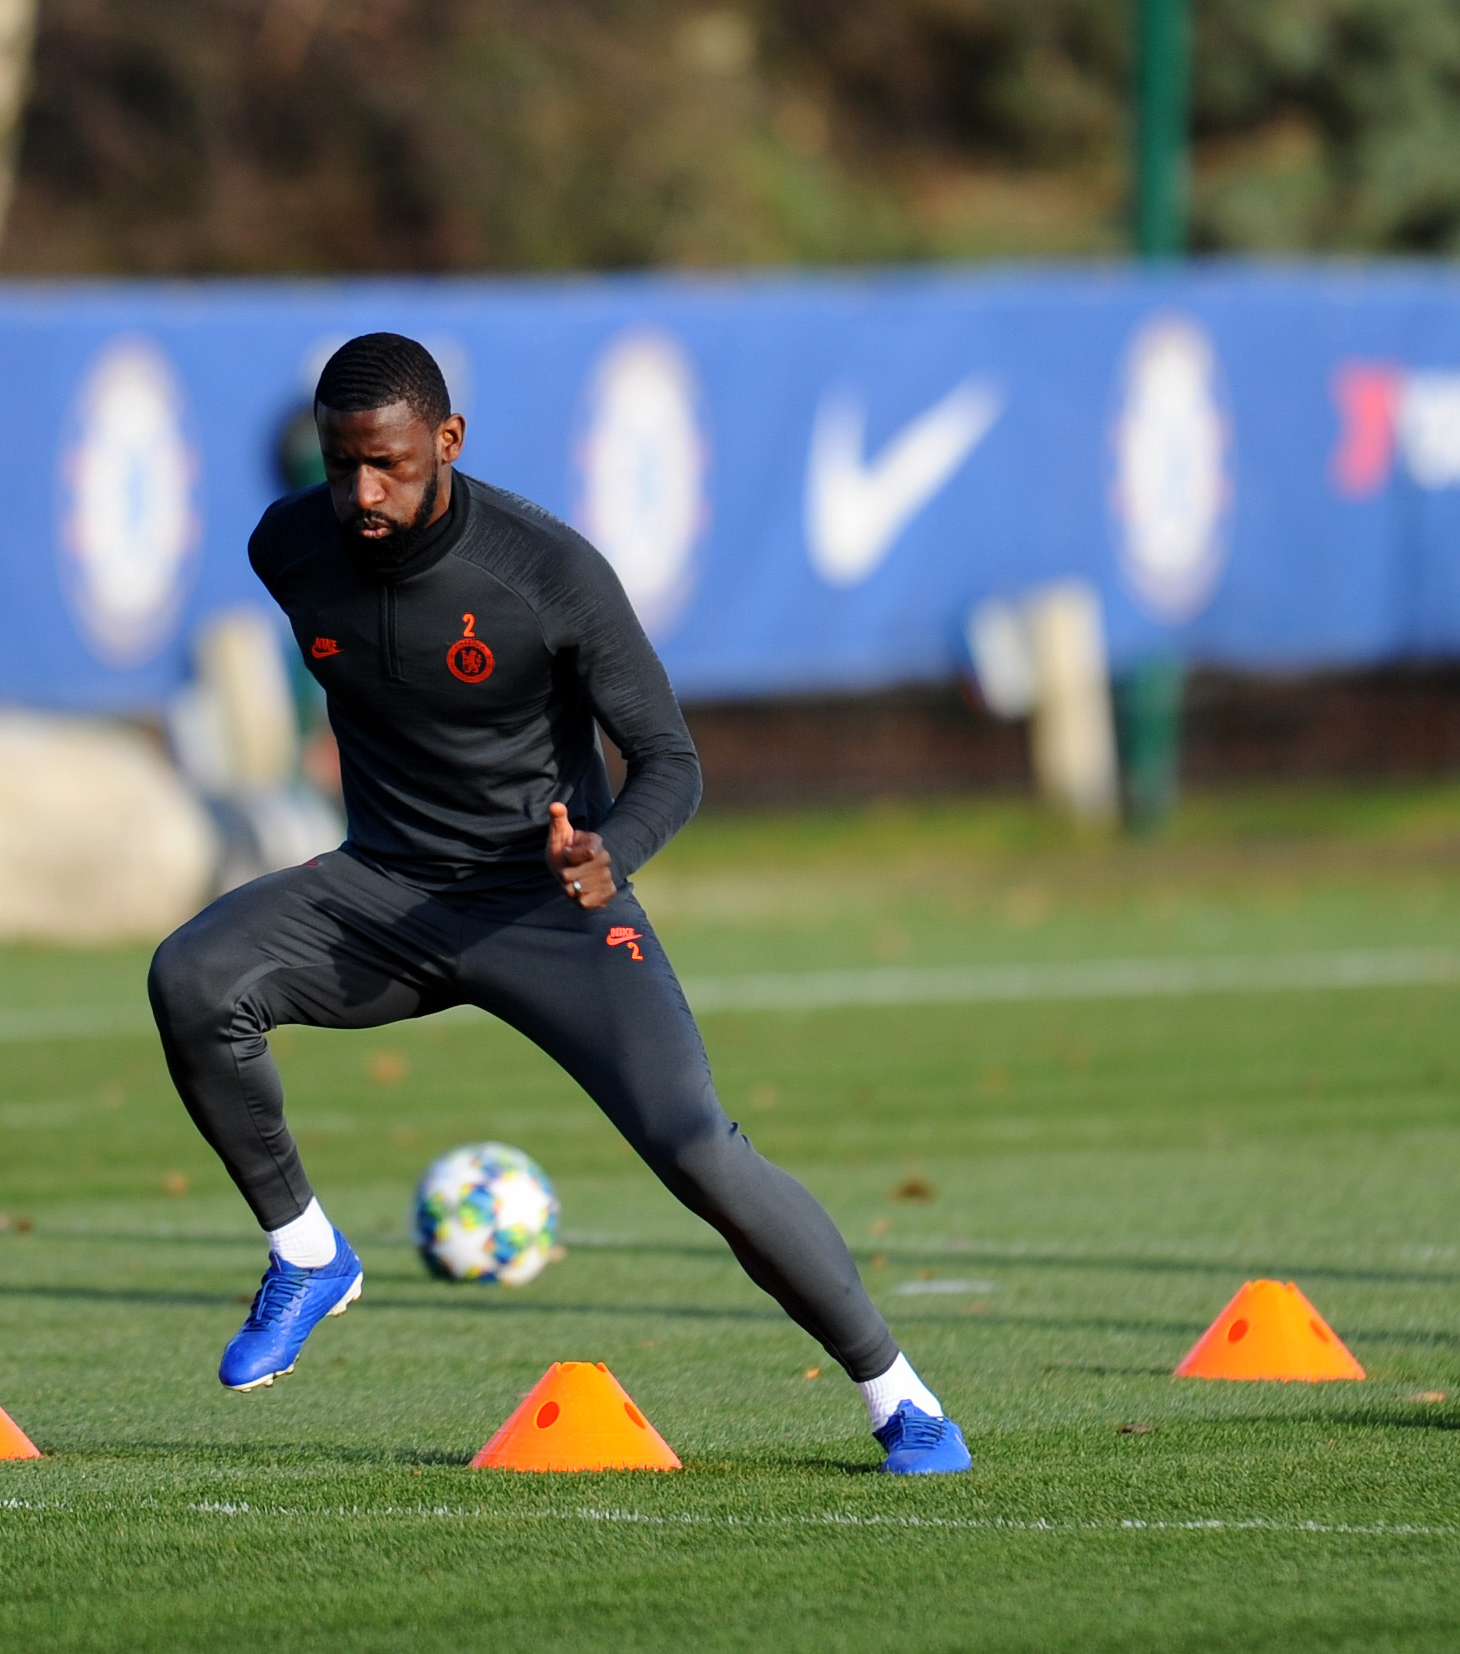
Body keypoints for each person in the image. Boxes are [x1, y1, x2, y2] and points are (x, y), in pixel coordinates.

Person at [147, 333, 970, 1473]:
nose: (360, 494)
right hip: (380, 894)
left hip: (549, 907)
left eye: (385, 463)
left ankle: (899, 1398)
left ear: (448, 441)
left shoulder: (547, 574)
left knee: (697, 1150)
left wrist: (609, 853)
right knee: (191, 978)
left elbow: (671, 762)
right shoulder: (288, 545)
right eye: (340, 467)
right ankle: (306, 1253)